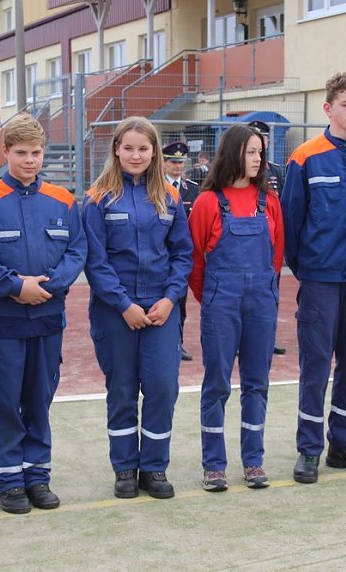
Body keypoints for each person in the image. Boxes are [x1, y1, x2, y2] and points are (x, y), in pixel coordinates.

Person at [0, 114, 87, 514]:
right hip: (4, 321)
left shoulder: (64, 200)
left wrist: (49, 286)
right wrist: (16, 287)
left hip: (49, 319)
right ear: (5, 152)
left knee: (39, 398)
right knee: (4, 400)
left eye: (36, 153)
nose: (30, 161)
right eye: (21, 153)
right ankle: (8, 481)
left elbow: (77, 250)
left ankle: (37, 477)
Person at [280, 71, 346, 484]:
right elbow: (292, 223)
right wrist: (309, 268)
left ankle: (345, 445)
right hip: (321, 281)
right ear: (328, 108)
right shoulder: (305, 158)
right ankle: (309, 450)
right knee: (315, 366)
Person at [83, 116, 192, 500]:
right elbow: (95, 261)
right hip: (117, 312)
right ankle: (125, 467)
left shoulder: (170, 196)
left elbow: (183, 254)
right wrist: (123, 304)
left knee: (163, 386)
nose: (135, 155)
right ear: (116, 149)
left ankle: (155, 467)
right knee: (123, 389)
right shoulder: (98, 197)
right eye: (128, 147)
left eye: (143, 148)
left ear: (153, 152)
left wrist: (169, 298)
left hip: (162, 309)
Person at [188, 124, 284, 492]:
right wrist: (212, 298)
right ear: (232, 154)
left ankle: (253, 461)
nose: (258, 159)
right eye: (250, 152)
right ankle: (214, 465)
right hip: (220, 304)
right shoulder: (209, 202)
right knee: (217, 385)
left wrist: (261, 292)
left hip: (261, 302)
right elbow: (196, 262)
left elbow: (276, 257)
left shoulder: (269, 201)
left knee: (257, 384)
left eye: (260, 152)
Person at [248, 120, 288, 356]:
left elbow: (282, 204)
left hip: (270, 242)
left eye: (263, 137)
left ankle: (268, 338)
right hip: (247, 241)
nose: (261, 141)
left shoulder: (275, 171)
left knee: (271, 293)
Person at [163, 141, 200, 362]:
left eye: (180, 163)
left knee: (181, 301)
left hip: (182, 254)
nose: (177, 166)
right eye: (173, 162)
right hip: (161, 253)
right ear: (164, 163)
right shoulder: (156, 186)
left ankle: (178, 343)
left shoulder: (192, 189)